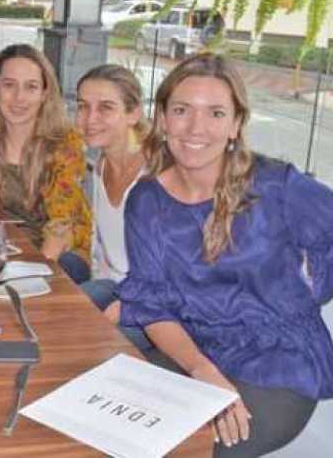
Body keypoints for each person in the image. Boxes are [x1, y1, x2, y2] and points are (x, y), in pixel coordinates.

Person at [118, 53, 332, 456]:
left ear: (235, 125)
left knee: (194, 448)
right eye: (182, 110)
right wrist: (202, 370)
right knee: (118, 432)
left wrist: (306, 293)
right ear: (162, 118)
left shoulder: (275, 185)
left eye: (216, 113)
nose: (197, 128)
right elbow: (151, 306)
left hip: (277, 360)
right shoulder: (146, 200)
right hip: (194, 347)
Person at [0, 44, 91, 282]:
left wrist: (29, 273)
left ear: (45, 93)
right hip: (10, 247)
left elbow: (62, 226)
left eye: (31, 87)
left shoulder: (65, 144)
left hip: (61, 254)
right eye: (9, 85)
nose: (19, 97)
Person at [75, 64, 152, 351]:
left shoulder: (157, 175)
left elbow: (174, 271)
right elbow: (100, 248)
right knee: (56, 314)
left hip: (153, 303)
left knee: (93, 345)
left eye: (105, 107)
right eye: (83, 106)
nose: (89, 119)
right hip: (114, 286)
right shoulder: (101, 165)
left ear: (133, 113)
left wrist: (126, 307)